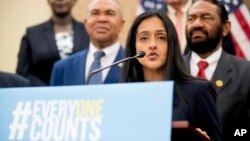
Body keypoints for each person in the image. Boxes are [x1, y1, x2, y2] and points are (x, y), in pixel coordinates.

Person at [120, 10, 223, 141]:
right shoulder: (124, 95)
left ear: (171, 44)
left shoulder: (198, 91)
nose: (152, 45)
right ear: (134, 47)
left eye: (161, 38)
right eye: (144, 38)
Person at [184, 0, 250, 140]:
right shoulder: (168, 70)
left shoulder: (246, 73)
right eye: (191, 18)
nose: (197, 24)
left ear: (226, 28)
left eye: (206, 17)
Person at [50, 0, 125, 86]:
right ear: (85, 23)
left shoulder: (135, 64)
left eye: (110, 13)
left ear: (121, 24)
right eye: (95, 13)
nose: (102, 19)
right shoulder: (63, 68)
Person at [16, 0, 89, 86]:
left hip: (82, 94)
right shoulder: (32, 33)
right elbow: (23, 73)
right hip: (43, 96)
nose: (60, 1)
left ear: (75, 1)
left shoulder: (88, 31)